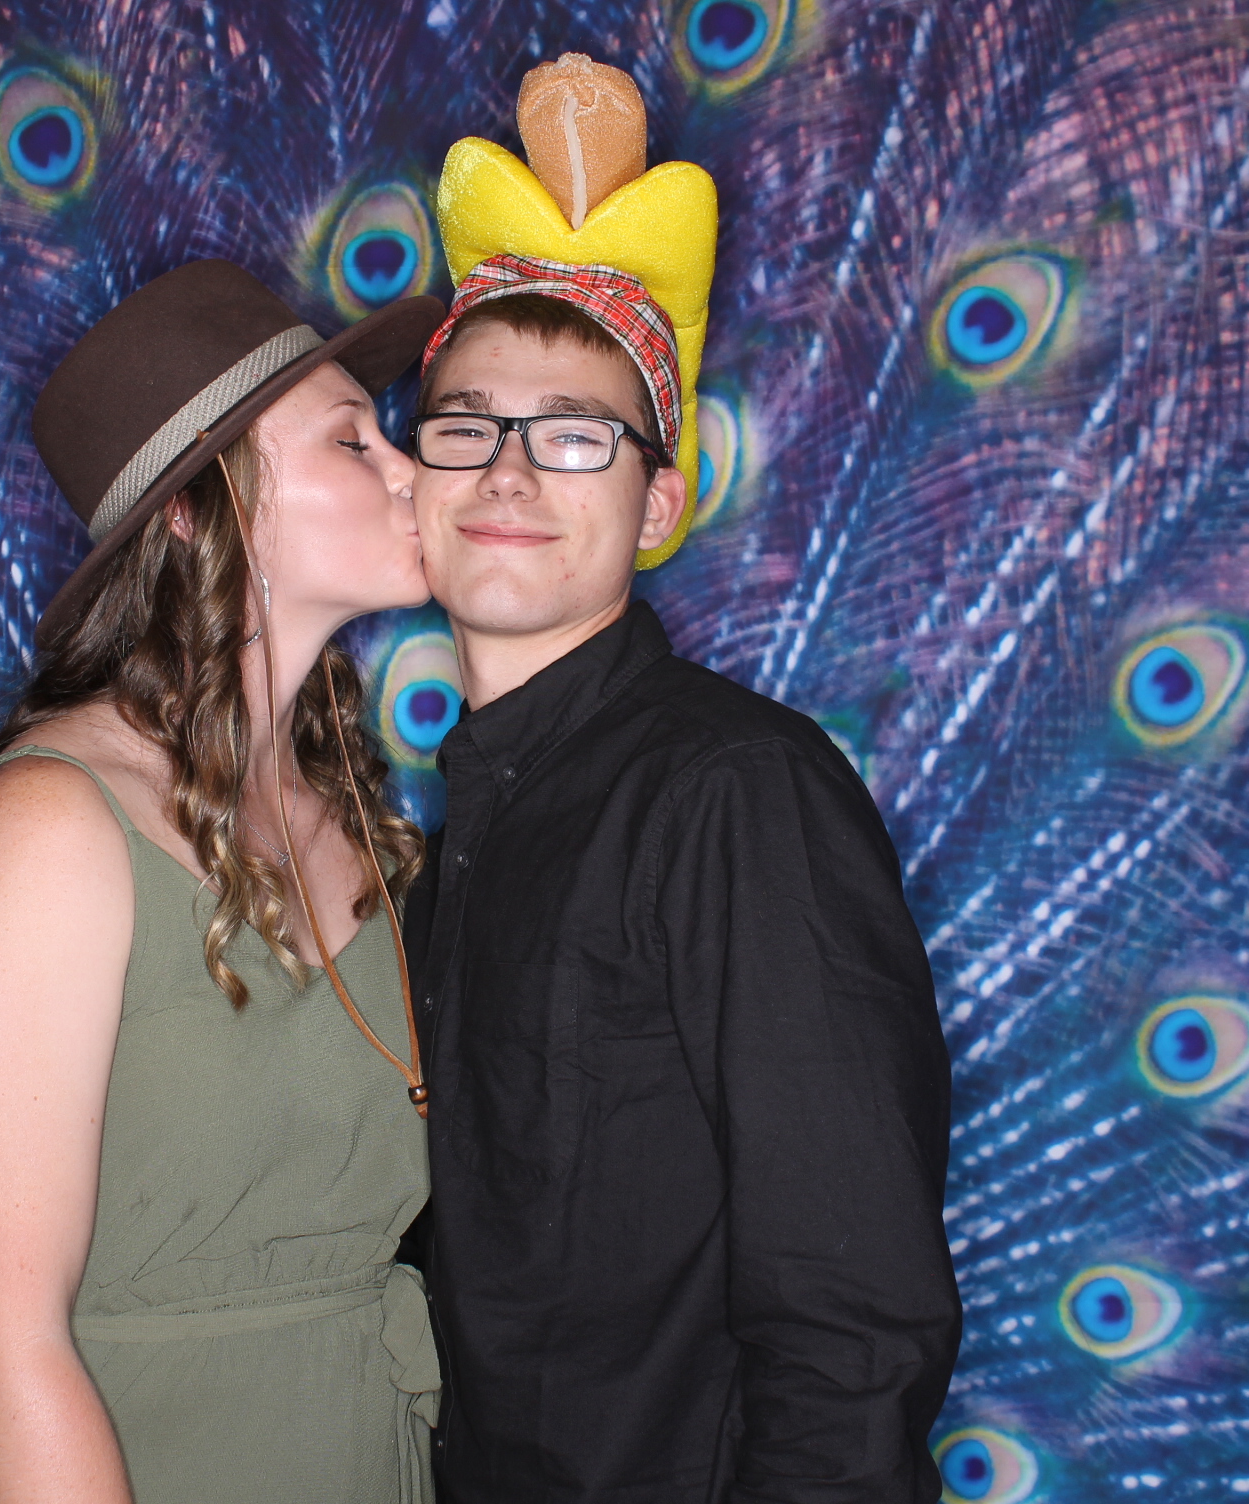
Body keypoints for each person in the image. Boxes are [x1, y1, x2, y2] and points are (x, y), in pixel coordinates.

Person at [405, 59, 963, 1504]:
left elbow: (852, 1327)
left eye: (577, 436)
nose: (509, 475)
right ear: (416, 477)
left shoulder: (739, 797)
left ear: (659, 502)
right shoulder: (448, 834)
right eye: (466, 424)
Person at [0, 259, 446, 1504]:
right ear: (203, 510)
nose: (411, 470)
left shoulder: (357, 812)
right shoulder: (46, 831)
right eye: (352, 439)